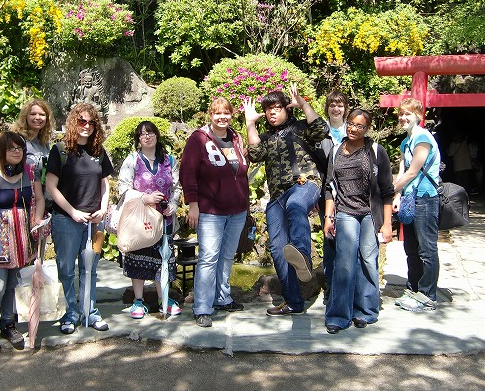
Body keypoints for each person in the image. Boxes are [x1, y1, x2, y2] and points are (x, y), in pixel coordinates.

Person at [243, 83, 328, 316]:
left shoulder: (301, 127)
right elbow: (255, 155)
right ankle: (294, 303)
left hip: (305, 184)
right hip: (277, 196)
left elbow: (321, 129)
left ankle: (303, 256)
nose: (272, 112)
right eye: (268, 109)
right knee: (278, 248)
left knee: (296, 204)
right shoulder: (265, 137)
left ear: (287, 110)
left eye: (277, 107)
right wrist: (250, 123)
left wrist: (304, 104)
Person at [180, 97, 249, 328]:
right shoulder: (198, 139)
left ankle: (222, 297)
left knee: (227, 256)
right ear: (210, 115)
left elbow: (241, 169)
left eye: (226, 113)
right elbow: (187, 173)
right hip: (210, 210)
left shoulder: (236, 138)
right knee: (209, 257)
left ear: (231, 115)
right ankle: (202, 306)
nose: (222, 117)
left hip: (237, 209)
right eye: (217, 113)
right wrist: (193, 204)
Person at [323, 109, 394, 334]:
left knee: (368, 261)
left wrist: (387, 223)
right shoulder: (335, 151)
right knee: (344, 262)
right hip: (345, 212)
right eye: (351, 124)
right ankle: (338, 315)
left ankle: (365, 311)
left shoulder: (375, 151)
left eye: (360, 126)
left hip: (369, 214)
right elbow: (328, 187)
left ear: (367, 129)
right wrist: (328, 217)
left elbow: (387, 190)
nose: (354, 129)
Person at [46, 103, 113, 334]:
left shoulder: (98, 151)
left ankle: (90, 311)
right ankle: (70, 313)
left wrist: (103, 208)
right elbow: (51, 186)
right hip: (66, 220)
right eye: (82, 121)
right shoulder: (61, 150)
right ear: (74, 122)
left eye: (91, 123)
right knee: (66, 269)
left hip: (94, 222)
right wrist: (72, 211)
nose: (86, 126)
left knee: (90, 268)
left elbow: (105, 183)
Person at [0, 131, 45, 352]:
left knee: (11, 285)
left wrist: (37, 220)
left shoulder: (29, 172)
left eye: (19, 148)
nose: (16, 152)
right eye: (11, 148)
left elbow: (40, 197)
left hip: (20, 234)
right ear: (1, 151)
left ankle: (8, 324)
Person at [118, 121, 183, 319]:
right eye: (143, 134)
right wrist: (143, 198)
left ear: (157, 136)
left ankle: (164, 297)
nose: (147, 136)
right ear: (138, 139)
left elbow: (177, 187)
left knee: (163, 258)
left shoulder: (170, 161)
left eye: (151, 133)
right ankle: (138, 300)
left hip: (164, 218)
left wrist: (174, 203)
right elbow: (123, 187)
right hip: (141, 218)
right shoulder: (132, 160)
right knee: (137, 257)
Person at [393, 98, 441, 312]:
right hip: (410, 198)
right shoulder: (406, 141)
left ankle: (428, 295)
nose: (403, 118)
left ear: (418, 116)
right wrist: (397, 196)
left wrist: (389, 190)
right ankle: (413, 288)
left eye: (408, 114)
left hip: (426, 198)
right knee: (410, 248)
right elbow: (403, 170)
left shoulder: (423, 137)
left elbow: (414, 171)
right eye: (401, 114)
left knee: (427, 249)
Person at [321, 90, 350, 304]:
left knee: (349, 238)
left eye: (340, 105)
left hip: (350, 194)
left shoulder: (353, 129)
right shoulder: (321, 131)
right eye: (332, 104)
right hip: (327, 193)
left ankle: (347, 285)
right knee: (329, 238)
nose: (336, 108)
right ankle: (330, 285)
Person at [10, 98, 55, 178]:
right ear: (25, 117)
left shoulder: (44, 141)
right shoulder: (17, 140)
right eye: (33, 114)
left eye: (42, 114)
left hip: (40, 188)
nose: (38, 117)